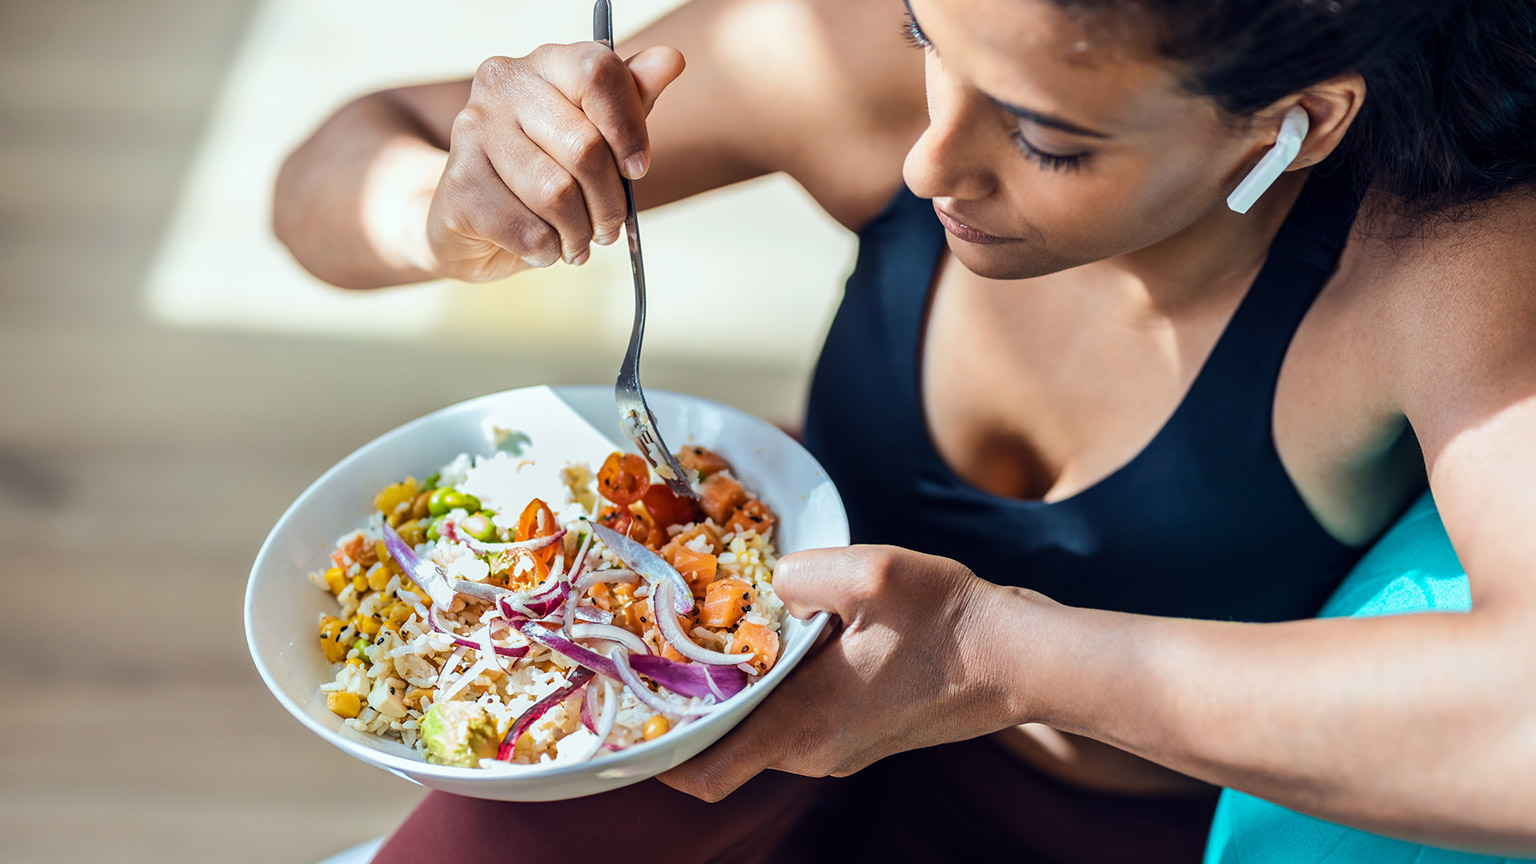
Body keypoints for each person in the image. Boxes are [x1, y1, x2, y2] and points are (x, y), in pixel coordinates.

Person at [273, 0, 1536, 860]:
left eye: (1044, 137)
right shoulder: (850, 58)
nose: (932, 161)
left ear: (1296, 120)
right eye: (933, 36)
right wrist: (448, 213)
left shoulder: (1436, 257)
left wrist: (1000, 660)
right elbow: (323, 177)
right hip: (733, 732)